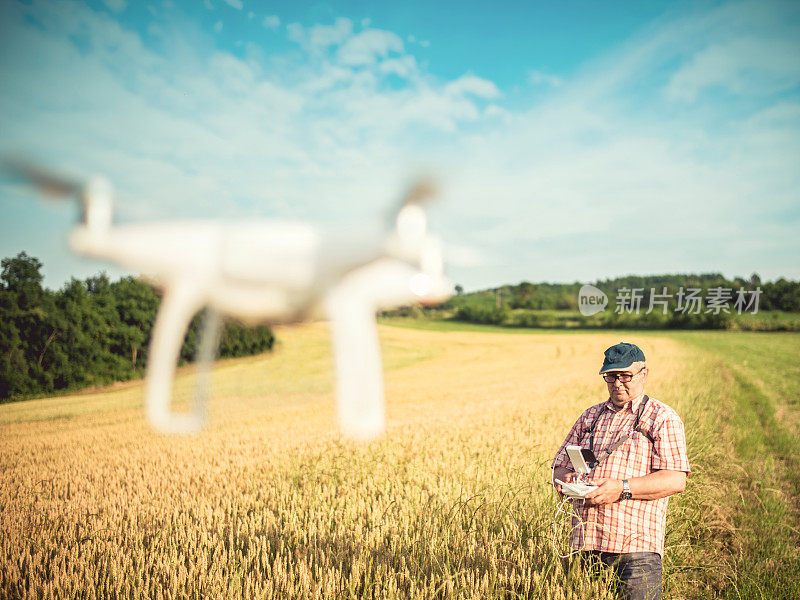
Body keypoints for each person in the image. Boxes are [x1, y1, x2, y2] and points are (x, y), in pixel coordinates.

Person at [551, 342, 690, 600]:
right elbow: (559, 466)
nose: (617, 383)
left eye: (625, 375)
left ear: (644, 374)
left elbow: (675, 479)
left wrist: (621, 489)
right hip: (585, 546)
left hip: (635, 551)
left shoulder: (661, 417)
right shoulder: (590, 417)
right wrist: (564, 479)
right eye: (611, 376)